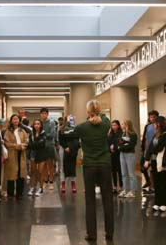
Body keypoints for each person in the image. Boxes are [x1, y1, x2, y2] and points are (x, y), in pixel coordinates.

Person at [62, 100, 114, 242]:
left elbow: (67, 133)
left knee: (90, 200)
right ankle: (109, 233)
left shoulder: (83, 127)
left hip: (89, 165)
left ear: (87, 112)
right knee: (108, 199)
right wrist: (97, 114)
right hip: (104, 164)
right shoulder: (106, 123)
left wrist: (68, 122)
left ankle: (91, 234)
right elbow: (103, 118)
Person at [144, 116, 166, 212]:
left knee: (163, 181)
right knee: (157, 182)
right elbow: (150, 147)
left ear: (159, 124)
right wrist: (147, 158)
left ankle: (165, 203)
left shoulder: (165, 135)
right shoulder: (156, 135)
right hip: (154, 161)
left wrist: (152, 152)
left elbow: (158, 148)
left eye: (155, 123)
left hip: (162, 161)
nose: (154, 125)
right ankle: (157, 202)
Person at [4, 114, 29, 198]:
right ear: (11, 121)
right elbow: (6, 143)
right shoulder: (8, 131)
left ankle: (19, 193)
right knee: (11, 174)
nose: (15, 121)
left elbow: (27, 140)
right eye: (14, 119)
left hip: (21, 154)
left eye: (17, 119)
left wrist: (24, 145)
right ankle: (10, 193)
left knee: (20, 174)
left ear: (19, 121)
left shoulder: (22, 130)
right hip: (12, 154)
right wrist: (17, 146)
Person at [117, 120, 138, 198]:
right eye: (122, 124)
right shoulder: (121, 133)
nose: (122, 125)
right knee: (123, 173)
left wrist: (123, 146)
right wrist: (123, 145)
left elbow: (131, 145)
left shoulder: (133, 134)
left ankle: (133, 191)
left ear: (128, 125)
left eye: (124, 124)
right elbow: (118, 143)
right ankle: (125, 189)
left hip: (130, 154)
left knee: (131, 174)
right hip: (122, 154)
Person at [59, 118, 81, 194]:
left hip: (73, 149)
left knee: (72, 166)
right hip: (64, 149)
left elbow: (78, 139)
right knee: (63, 166)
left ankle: (73, 183)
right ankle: (63, 183)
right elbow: (60, 140)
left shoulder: (76, 129)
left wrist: (73, 147)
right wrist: (65, 147)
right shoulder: (61, 129)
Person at [27, 119, 47, 196]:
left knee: (40, 172)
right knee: (33, 172)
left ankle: (40, 188)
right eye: (35, 124)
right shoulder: (31, 133)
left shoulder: (43, 133)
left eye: (38, 124)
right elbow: (29, 145)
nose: (36, 125)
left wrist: (33, 144)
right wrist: (34, 144)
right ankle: (32, 187)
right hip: (33, 154)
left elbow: (42, 144)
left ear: (40, 125)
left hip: (42, 154)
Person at [140, 110, 158, 194]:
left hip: (157, 151)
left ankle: (153, 187)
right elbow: (146, 139)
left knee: (154, 170)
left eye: (153, 117)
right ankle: (151, 186)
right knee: (146, 168)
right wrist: (145, 151)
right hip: (149, 151)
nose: (152, 118)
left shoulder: (159, 126)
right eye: (150, 117)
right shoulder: (148, 127)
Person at [40, 108, 58, 190]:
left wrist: (43, 134)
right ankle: (45, 181)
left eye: (45, 113)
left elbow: (52, 135)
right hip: (41, 146)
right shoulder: (39, 123)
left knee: (50, 165)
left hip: (49, 146)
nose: (43, 115)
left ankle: (51, 182)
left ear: (47, 114)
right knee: (43, 166)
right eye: (42, 113)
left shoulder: (51, 122)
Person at [108, 120, 123, 194]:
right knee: (113, 171)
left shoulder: (121, 133)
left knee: (119, 171)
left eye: (115, 125)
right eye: (112, 125)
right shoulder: (110, 134)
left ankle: (121, 186)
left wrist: (115, 147)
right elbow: (108, 143)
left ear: (118, 125)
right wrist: (110, 149)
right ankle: (114, 186)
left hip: (119, 154)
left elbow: (120, 143)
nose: (114, 126)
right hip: (112, 154)